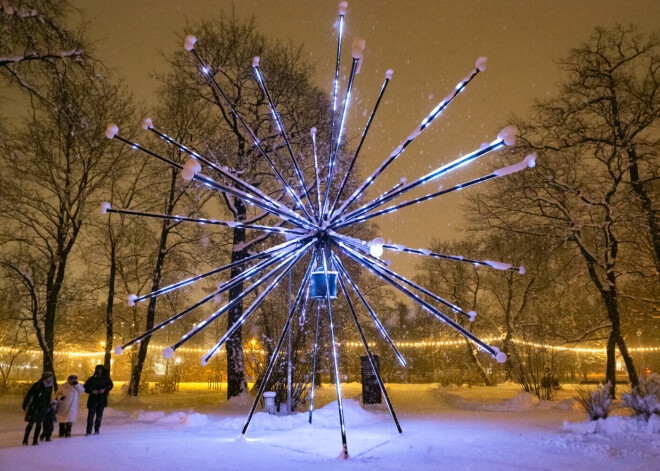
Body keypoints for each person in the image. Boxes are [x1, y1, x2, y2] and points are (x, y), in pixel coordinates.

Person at [22, 371, 54, 446]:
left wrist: (48, 406)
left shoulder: (50, 386)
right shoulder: (38, 385)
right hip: (35, 407)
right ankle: (25, 439)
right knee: (31, 423)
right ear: (45, 378)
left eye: (52, 377)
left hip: (42, 408)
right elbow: (29, 394)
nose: (51, 379)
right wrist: (25, 404)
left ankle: (35, 440)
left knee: (39, 424)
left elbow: (48, 397)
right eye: (50, 377)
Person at [84, 364, 113, 436]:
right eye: (98, 369)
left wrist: (105, 390)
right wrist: (92, 391)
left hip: (101, 400)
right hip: (93, 400)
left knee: (99, 416)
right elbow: (85, 388)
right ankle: (89, 430)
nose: (99, 371)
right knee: (91, 416)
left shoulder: (106, 379)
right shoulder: (92, 379)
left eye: (100, 370)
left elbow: (110, 385)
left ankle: (96, 429)